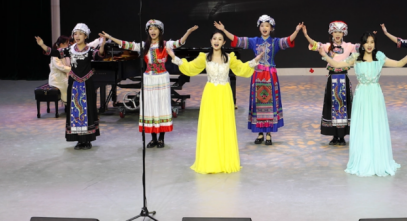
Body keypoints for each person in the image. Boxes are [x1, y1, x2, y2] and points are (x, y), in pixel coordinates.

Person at [320, 32, 407, 176]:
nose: (369, 45)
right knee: (363, 125)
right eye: (367, 42)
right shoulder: (356, 58)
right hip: (362, 96)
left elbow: (399, 63)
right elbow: (338, 64)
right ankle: (363, 159)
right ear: (362, 44)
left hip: (375, 95)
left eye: (372, 42)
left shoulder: (379, 57)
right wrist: (325, 55)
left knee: (375, 124)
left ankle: (377, 159)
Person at [169, 31, 261, 174]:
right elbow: (190, 68)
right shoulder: (204, 57)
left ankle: (224, 161)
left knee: (224, 125)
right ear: (211, 41)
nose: (216, 41)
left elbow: (241, 69)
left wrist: (254, 61)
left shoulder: (229, 58)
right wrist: (174, 57)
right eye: (214, 38)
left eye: (219, 39)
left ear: (224, 42)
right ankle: (211, 161)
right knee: (210, 125)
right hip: (210, 94)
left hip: (224, 94)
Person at [99, 21, 197, 148]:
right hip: (149, 79)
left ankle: (161, 138)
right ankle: (153, 138)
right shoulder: (144, 46)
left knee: (161, 106)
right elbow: (126, 44)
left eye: (155, 28)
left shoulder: (165, 44)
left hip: (161, 79)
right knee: (150, 107)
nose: (153, 31)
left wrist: (188, 32)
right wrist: (110, 37)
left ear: (160, 31)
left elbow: (179, 42)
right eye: (150, 29)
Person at [215, 16, 303, 145]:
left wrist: (296, 31)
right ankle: (260, 133)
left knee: (270, 104)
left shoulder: (275, 42)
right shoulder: (254, 41)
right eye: (262, 26)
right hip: (257, 76)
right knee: (258, 104)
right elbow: (237, 40)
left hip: (270, 76)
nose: (264, 28)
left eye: (267, 25)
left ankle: (269, 133)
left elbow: (288, 40)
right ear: (259, 28)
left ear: (271, 28)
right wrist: (224, 30)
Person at [35, 23, 106, 150]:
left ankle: (87, 140)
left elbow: (99, 55)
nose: (77, 36)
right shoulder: (70, 49)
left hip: (87, 84)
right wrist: (42, 45)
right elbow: (55, 52)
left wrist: (103, 44)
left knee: (87, 110)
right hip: (74, 84)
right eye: (75, 34)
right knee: (75, 111)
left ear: (85, 36)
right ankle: (79, 140)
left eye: (80, 34)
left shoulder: (89, 50)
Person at [302, 21, 358, 146]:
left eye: (340, 32)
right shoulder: (328, 46)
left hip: (343, 78)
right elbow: (315, 45)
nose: (337, 34)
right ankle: (334, 136)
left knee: (343, 107)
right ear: (331, 33)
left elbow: (362, 48)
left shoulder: (349, 46)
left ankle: (342, 136)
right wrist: (306, 35)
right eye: (335, 32)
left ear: (344, 33)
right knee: (332, 107)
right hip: (332, 79)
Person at [47, 35, 71, 103]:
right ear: (61, 44)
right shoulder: (55, 54)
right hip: (56, 79)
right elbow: (60, 67)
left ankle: (71, 102)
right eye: (67, 44)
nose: (68, 45)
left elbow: (67, 64)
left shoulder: (63, 53)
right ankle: (68, 102)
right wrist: (72, 69)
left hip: (62, 76)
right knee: (69, 84)